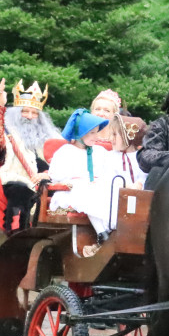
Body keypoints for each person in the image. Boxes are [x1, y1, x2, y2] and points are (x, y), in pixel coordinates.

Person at [0, 78, 61, 230]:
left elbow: (64, 164)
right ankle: (17, 234)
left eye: (34, 113)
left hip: (45, 183)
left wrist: (48, 175)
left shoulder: (52, 137)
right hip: (13, 180)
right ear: (17, 113)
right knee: (20, 190)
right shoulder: (6, 132)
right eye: (25, 111)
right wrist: (0, 106)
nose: (29, 116)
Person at [48, 109, 120, 256]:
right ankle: (102, 233)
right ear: (81, 133)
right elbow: (56, 176)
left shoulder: (99, 152)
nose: (96, 136)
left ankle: (112, 229)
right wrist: (80, 180)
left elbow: (110, 172)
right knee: (86, 190)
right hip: (71, 193)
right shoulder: (65, 152)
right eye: (92, 133)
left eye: (97, 132)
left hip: (97, 191)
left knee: (110, 190)